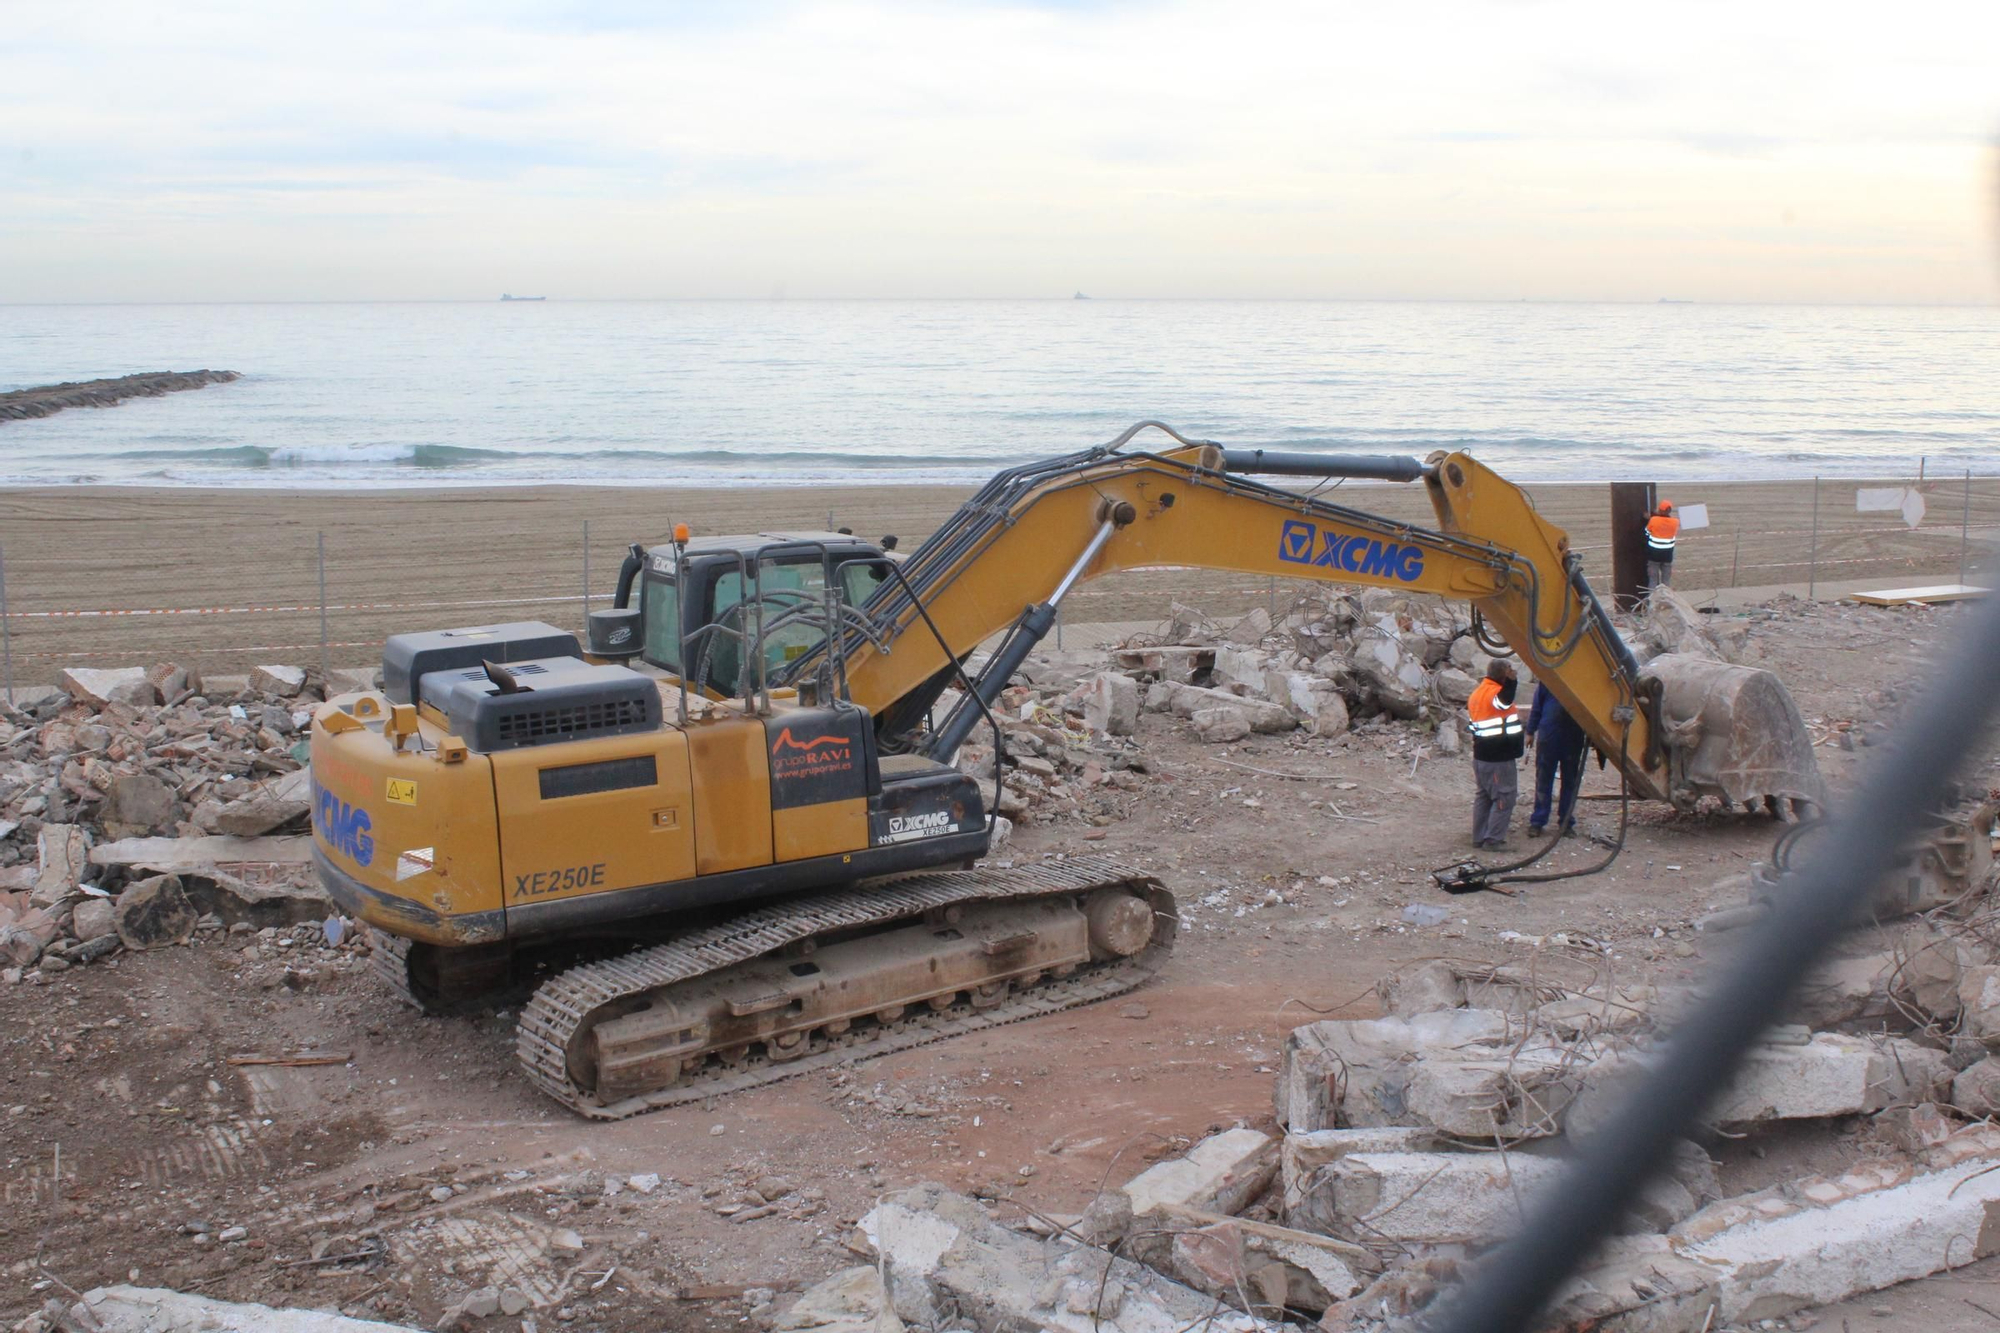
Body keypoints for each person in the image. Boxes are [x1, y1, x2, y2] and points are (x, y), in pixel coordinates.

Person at [1465, 659, 1524, 850]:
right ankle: (1493, 840)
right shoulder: (1495, 695)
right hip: (1498, 758)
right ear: (1503, 673)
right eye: (1509, 670)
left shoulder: (1478, 693)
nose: (1513, 671)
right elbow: (1504, 701)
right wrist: (1512, 681)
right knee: (1504, 797)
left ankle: (1479, 837)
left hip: (1481, 756)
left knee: (1484, 796)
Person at [1524, 682, 1588, 837]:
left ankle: (1566, 822)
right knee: (1544, 779)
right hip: (1549, 737)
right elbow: (1537, 706)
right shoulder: (1549, 680)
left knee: (1569, 781)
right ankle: (1538, 821)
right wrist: (1530, 731)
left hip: (1572, 738)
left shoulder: (1583, 681)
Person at [1645, 501, 1679, 590]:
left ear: (1660, 510)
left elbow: (1647, 532)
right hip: (1667, 555)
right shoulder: (1675, 522)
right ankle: (1665, 600)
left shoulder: (1653, 520)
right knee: (1666, 581)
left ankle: (1652, 602)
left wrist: (1651, 518)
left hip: (1653, 554)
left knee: (1653, 580)